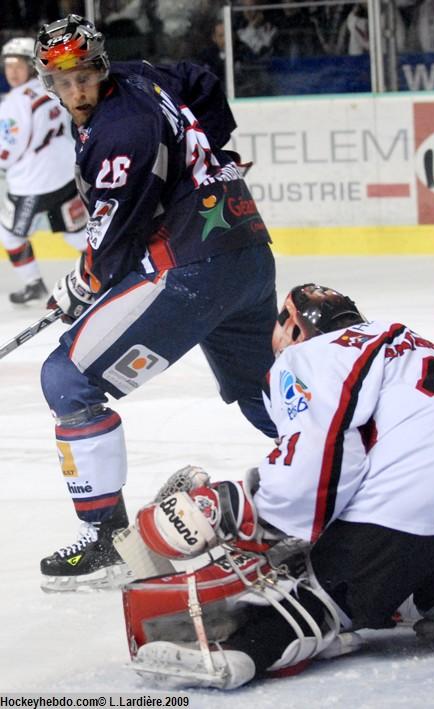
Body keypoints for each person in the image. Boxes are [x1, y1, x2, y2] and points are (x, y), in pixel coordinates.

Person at [33, 14, 278, 591]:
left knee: (68, 380)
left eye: (85, 75)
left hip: (190, 269)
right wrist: (204, 159)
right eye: (61, 82)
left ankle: (107, 542)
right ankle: (339, 479)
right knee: (260, 387)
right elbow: (199, 79)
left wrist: (82, 282)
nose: (77, 92)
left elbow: (114, 238)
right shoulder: (140, 74)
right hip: (245, 249)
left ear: (100, 64)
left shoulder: (120, 133)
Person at [125, 283, 434, 688]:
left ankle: (244, 652)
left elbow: (317, 459)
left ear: (293, 331)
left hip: (413, 502)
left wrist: (245, 510)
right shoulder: (419, 347)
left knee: (317, 591)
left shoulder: (311, 354)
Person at [0, 36, 87, 304]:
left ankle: (33, 284)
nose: (12, 71)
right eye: (8, 65)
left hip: (33, 184)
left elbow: (8, 149)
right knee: (75, 233)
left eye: (19, 65)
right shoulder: (52, 85)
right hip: (65, 174)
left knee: (10, 233)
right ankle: (108, 273)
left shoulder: (14, 102)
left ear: (31, 65)